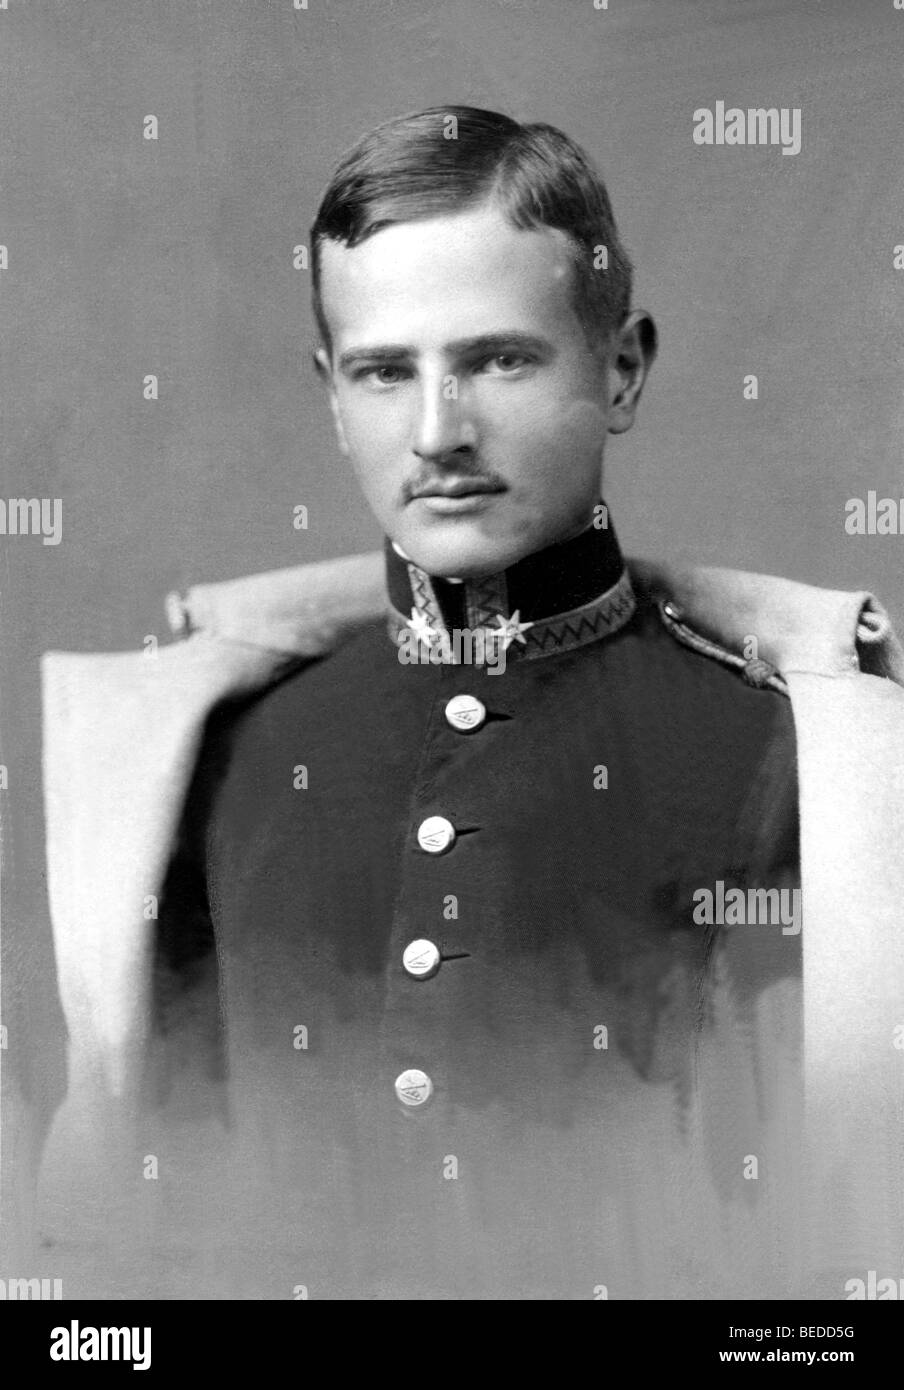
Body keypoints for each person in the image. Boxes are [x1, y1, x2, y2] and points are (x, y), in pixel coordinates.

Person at [39, 106, 904, 1300]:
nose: (439, 432)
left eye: (499, 358)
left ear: (622, 366)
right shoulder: (209, 761)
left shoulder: (802, 758)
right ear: (332, 395)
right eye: (385, 371)